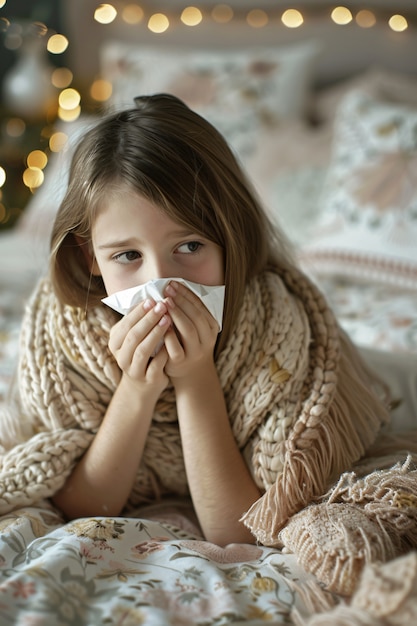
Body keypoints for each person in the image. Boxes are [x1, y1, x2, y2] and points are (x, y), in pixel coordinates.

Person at [0, 94, 390, 547]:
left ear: (228, 237)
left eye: (189, 247)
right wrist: (137, 388)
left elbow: (237, 531)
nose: (161, 282)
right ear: (90, 258)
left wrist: (195, 376)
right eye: (127, 255)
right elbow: (85, 507)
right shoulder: (61, 336)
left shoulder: (280, 329)